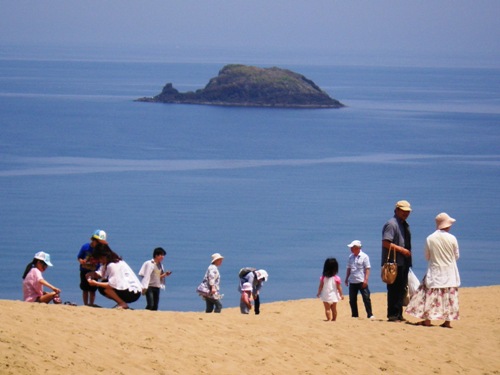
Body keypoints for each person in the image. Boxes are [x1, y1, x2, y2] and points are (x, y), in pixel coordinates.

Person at [406, 212, 460, 328]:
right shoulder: (452, 238)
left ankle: (427, 320)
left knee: (430, 296)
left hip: (435, 270)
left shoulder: (430, 238)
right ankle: (447, 321)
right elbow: (456, 255)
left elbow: (427, 256)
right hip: (450, 271)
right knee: (448, 296)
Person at [382, 200, 413, 322]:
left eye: (407, 211)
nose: (406, 213)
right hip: (393, 263)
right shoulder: (392, 224)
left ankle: (399, 313)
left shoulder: (404, 224)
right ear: (397, 210)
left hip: (403, 262)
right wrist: (401, 250)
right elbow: (385, 242)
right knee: (394, 289)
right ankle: (393, 315)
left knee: (401, 288)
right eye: (403, 211)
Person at [86, 243, 142, 309]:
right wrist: (91, 274)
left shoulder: (112, 265)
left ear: (103, 256)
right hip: (132, 291)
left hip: (132, 292)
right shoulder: (111, 261)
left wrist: (96, 283)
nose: (99, 261)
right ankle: (121, 303)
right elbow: (101, 274)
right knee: (103, 285)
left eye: (99, 259)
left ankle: (122, 303)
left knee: (103, 288)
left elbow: (111, 285)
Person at [77, 229, 107, 307]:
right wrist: (81, 261)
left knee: (93, 289)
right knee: (85, 289)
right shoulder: (85, 247)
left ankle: (91, 303)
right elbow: (79, 257)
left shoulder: (100, 249)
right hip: (84, 270)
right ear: (92, 240)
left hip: (94, 271)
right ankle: (86, 304)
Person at [345, 240, 374, 319]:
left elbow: (367, 269)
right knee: (352, 300)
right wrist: (346, 278)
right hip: (352, 281)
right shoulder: (350, 257)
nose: (351, 249)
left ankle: (370, 314)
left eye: (352, 247)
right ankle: (354, 315)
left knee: (366, 298)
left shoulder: (364, 256)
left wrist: (366, 280)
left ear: (357, 248)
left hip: (361, 281)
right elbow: (349, 268)